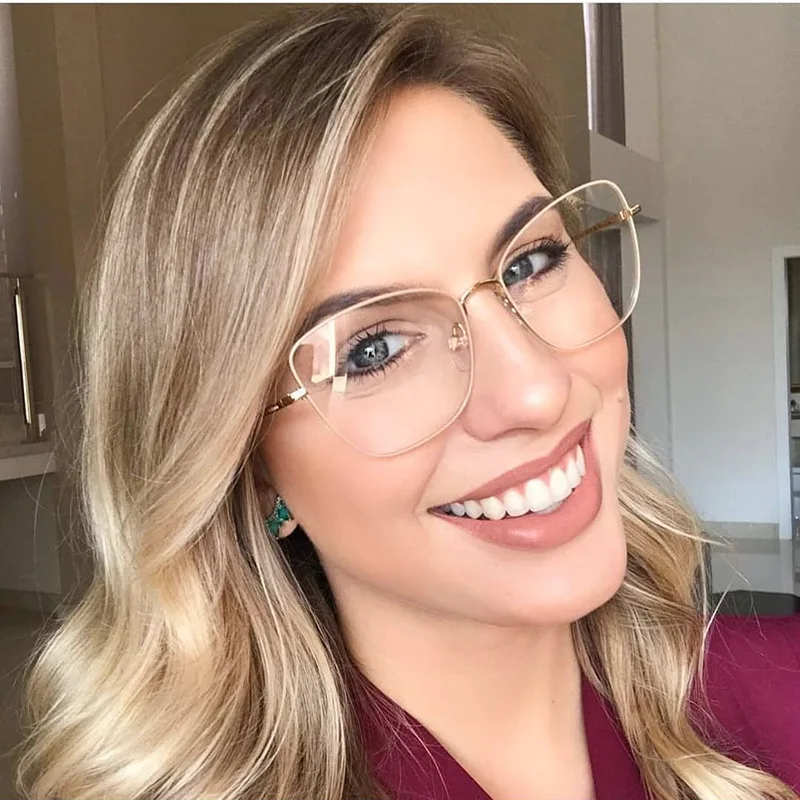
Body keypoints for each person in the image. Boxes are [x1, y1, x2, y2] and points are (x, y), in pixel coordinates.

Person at [18, 6, 800, 800]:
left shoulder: (781, 699)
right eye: (374, 349)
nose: (538, 388)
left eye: (530, 262)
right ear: (249, 469)